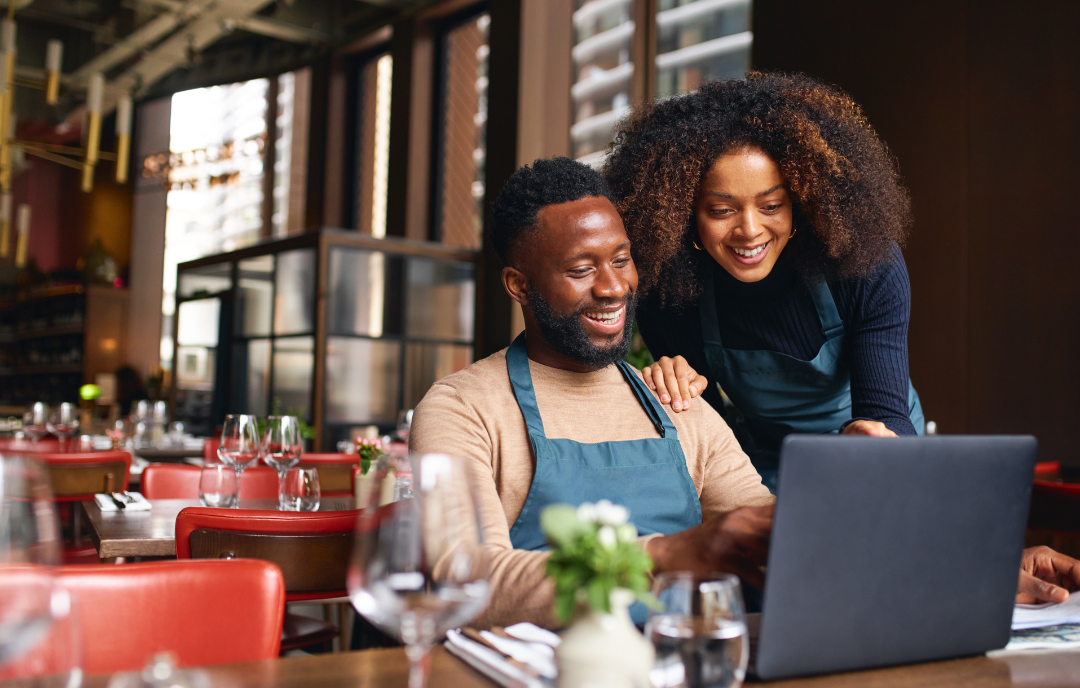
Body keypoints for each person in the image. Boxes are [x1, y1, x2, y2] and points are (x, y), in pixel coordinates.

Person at [409, 157, 1080, 630]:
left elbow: (793, 543)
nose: (614, 288)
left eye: (620, 260)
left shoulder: (676, 403)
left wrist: (974, 568)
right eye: (581, 270)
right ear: (519, 285)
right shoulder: (462, 407)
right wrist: (672, 554)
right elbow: (466, 580)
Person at [604, 72, 922, 490]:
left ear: (802, 202)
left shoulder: (864, 265)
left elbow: (886, 412)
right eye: (721, 210)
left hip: (873, 453)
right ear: (683, 216)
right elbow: (709, 439)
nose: (750, 230)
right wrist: (674, 389)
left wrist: (874, 439)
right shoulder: (670, 293)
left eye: (772, 204)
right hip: (765, 464)